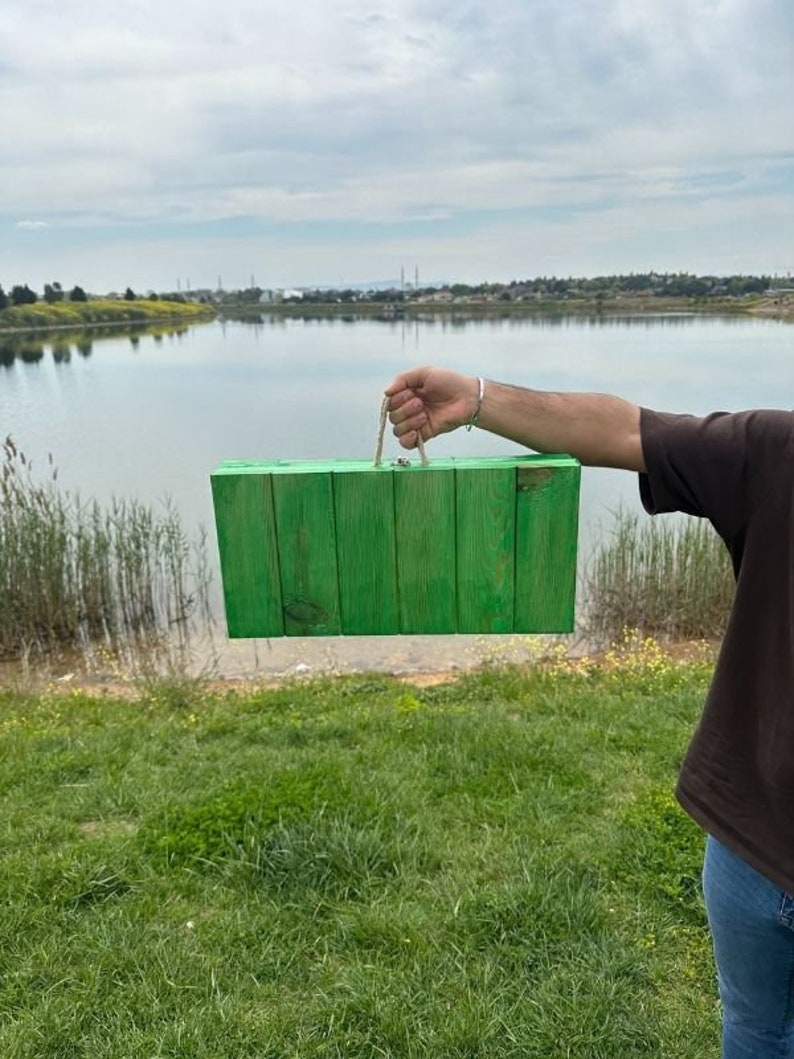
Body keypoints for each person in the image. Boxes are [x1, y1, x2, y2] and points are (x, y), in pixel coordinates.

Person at [385, 365, 794, 1059]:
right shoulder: (777, 453)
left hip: (748, 837)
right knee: (756, 1029)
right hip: (750, 841)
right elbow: (624, 430)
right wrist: (478, 399)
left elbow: (625, 430)